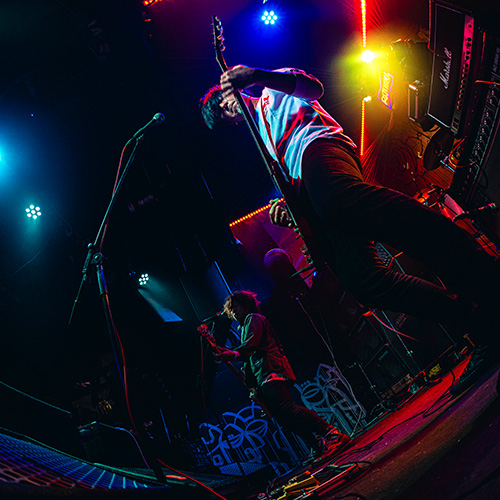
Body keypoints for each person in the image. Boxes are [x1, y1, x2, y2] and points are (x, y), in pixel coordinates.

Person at [200, 65, 500, 395]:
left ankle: (488, 280)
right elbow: (297, 186)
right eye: (224, 113)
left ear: (237, 89)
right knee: (363, 281)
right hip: (313, 190)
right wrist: (291, 211)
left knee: (335, 201)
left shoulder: (272, 89)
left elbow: (314, 88)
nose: (228, 108)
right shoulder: (265, 141)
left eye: (225, 100)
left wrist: (258, 75)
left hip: (322, 149)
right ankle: (481, 325)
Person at [214, 290, 353, 461]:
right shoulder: (243, 327)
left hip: (270, 371)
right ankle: (316, 445)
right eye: (231, 309)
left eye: (236, 306)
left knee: (286, 408)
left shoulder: (253, 318)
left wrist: (233, 354)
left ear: (246, 305)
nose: (234, 311)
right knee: (283, 417)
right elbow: (248, 354)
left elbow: (251, 345)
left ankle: (332, 434)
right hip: (262, 375)